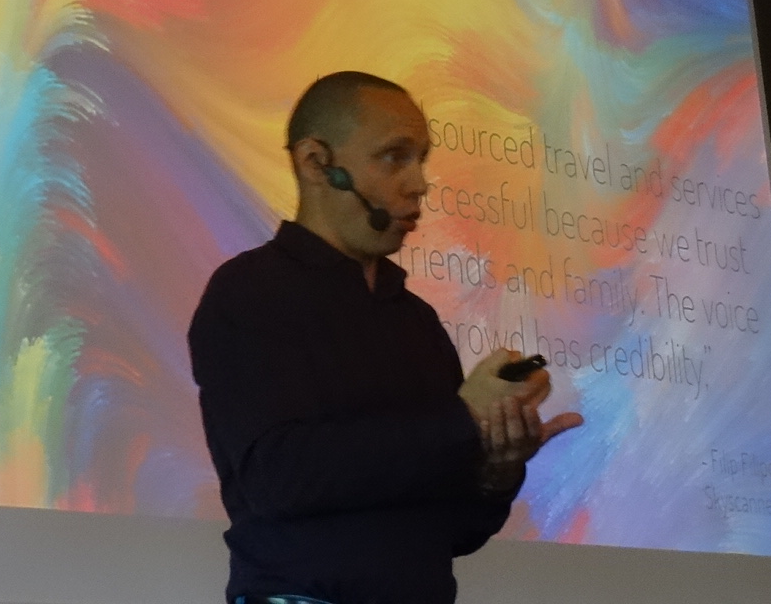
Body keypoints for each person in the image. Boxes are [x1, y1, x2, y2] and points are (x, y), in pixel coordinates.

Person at [187, 71, 583, 604]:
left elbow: (455, 533)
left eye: (421, 159)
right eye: (395, 157)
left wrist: (497, 467)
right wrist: (463, 418)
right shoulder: (251, 292)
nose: (419, 183)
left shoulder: (416, 322)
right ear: (316, 163)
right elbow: (278, 478)